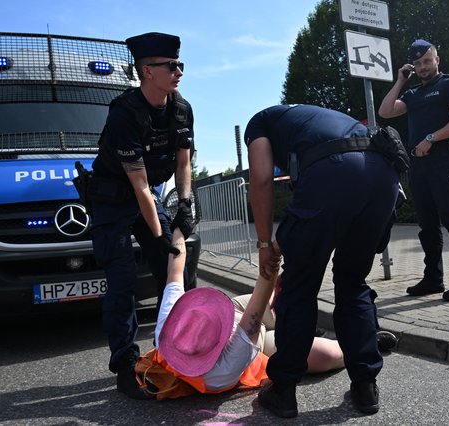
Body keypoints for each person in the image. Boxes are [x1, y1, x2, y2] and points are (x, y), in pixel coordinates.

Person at [244, 104, 400, 418]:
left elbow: (260, 180)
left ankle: (284, 390)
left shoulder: (259, 123)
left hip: (333, 170)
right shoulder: (313, 118)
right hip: (383, 173)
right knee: (352, 281)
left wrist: (264, 244)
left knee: (300, 286)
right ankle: (365, 385)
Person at [86, 32, 195, 399]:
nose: (178, 71)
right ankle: (125, 363)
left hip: (147, 195)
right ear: (147, 71)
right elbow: (140, 185)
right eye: (171, 66)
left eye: (180, 64)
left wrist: (185, 203)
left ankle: (181, 350)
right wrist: (161, 234)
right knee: (122, 280)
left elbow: (183, 163)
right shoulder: (124, 114)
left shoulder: (181, 109)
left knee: (174, 269)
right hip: (112, 201)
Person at [134, 228, 345, 400]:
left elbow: (175, 270)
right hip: (255, 344)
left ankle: (298, 325)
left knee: (286, 310)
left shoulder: (167, 327)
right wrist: (274, 253)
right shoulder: (218, 375)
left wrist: (179, 229)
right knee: (327, 356)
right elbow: (258, 301)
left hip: (236, 313)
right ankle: (361, 344)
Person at [378, 39, 449, 302]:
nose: (423, 66)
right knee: (427, 226)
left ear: (436, 60)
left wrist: (431, 138)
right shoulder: (413, 94)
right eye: (418, 63)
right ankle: (433, 278)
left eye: (427, 61)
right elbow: (385, 111)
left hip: (444, 164)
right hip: (418, 167)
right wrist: (400, 80)